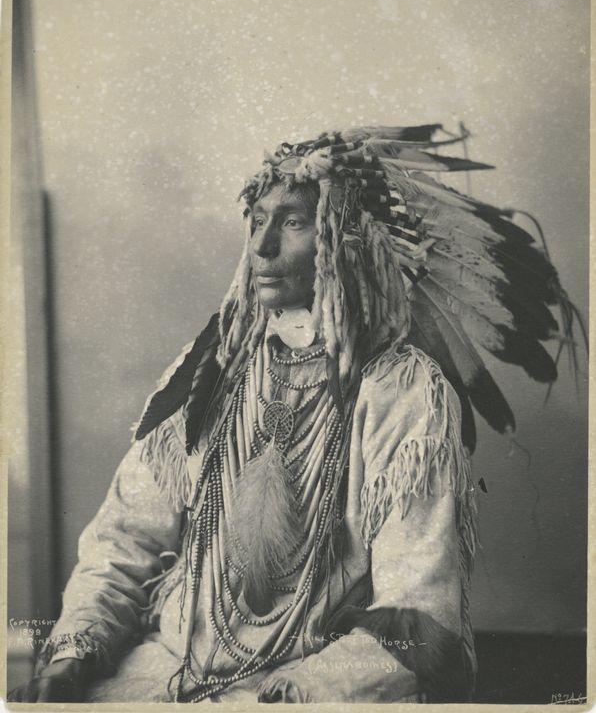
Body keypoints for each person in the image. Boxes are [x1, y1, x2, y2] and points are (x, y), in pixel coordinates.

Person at [10, 124, 572, 703]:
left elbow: (418, 610)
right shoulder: (209, 370)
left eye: (293, 222)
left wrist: (301, 689)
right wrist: (74, 652)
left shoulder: (402, 392)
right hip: (167, 671)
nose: (262, 245)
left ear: (347, 240)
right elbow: (123, 544)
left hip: (313, 686)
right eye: (257, 219)